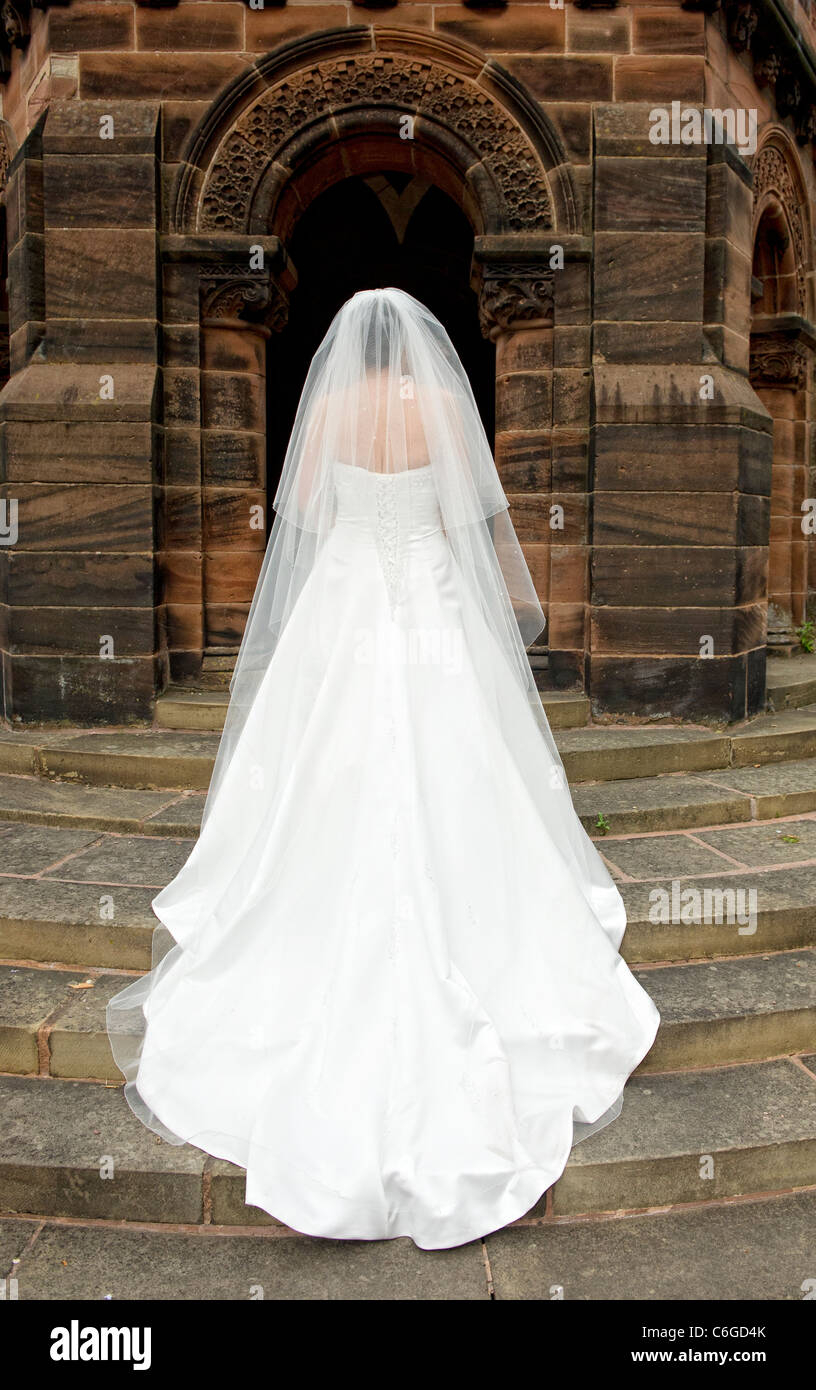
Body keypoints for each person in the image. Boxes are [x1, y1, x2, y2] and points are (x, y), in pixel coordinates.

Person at [107, 287, 659, 1250]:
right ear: (421, 351)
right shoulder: (445, 410)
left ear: (344, 353)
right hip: (434, 607)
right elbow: (468, 527)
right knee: (467, 768)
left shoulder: (323, 411)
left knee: (316, 770)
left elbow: (309, 521)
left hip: (346, 603)